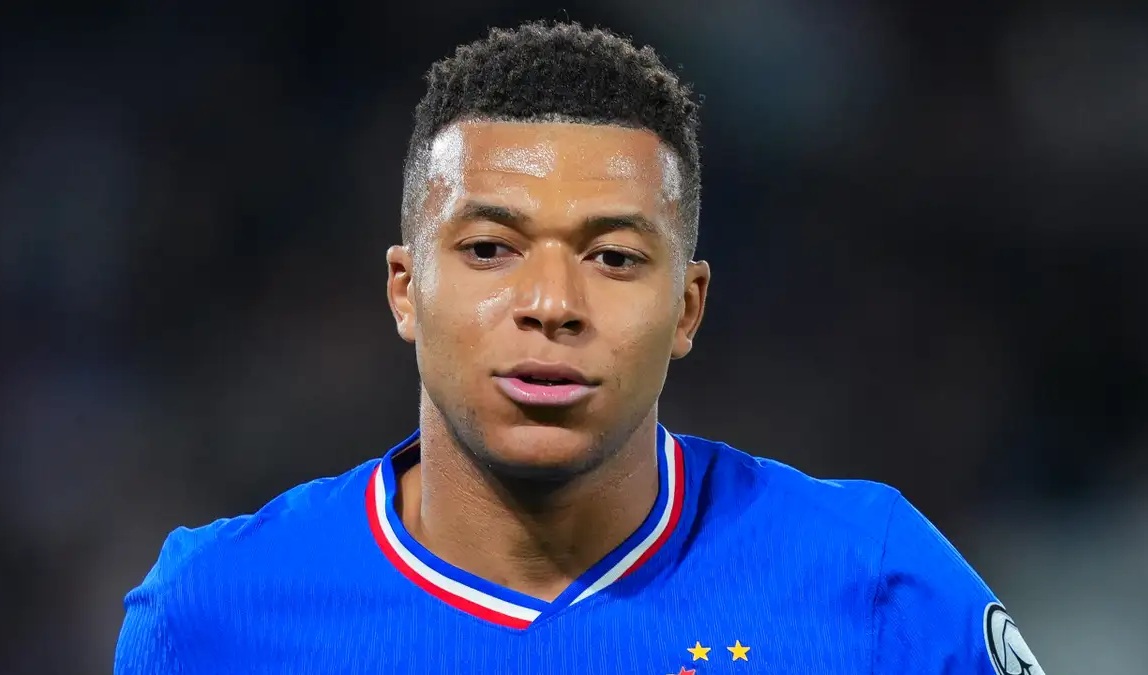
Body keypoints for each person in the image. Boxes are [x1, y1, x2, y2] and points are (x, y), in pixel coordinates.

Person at [114, 20, 1045, 674]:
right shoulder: (214, 611)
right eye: (490, 249)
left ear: (687, 308)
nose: (552, 305)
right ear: (405, 289)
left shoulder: (872, 581)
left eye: (614, 257)